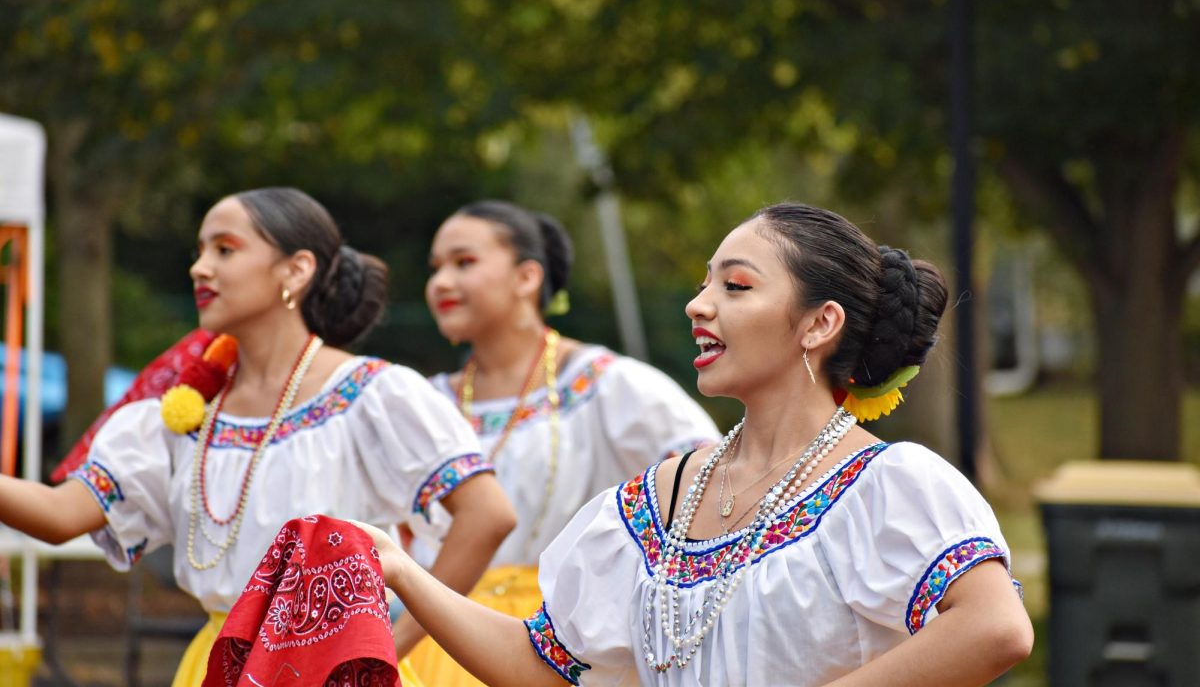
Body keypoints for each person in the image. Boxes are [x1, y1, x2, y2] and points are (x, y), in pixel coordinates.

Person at [355, 202, 1034, 686]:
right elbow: (547, 664)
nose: (698, 304)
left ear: (819, 323)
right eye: (705, 282)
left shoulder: (887, 483)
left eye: (735, 285)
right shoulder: (660, 496)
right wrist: (404, 573)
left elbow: (995, 628)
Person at [0, 187, 515, 687]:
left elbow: (487, 515)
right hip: (215, 665)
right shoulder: (180, 417)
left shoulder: (373, 394)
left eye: (225, 249)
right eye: (200, 251)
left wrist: (392, 643)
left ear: (296, 269)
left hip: (331, 666)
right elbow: (58, 514)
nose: (200, 267)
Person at [405, 200, 719, 686]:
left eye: (463, 262)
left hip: (557, 644)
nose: (440, 282)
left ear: (527, 277)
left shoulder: (606, 384)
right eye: (436, 268)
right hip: (432, 637)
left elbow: (714, 481)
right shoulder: (423, 401)